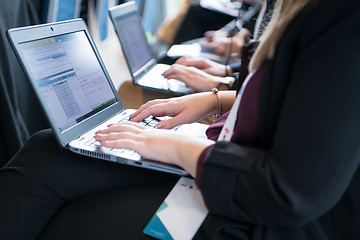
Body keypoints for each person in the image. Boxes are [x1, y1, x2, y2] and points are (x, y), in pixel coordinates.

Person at [1, 0, 360, 240]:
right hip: (233, 165)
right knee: (47, 149)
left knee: (76, 218)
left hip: (263, 217)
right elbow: (304, 103)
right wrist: (216, 99)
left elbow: (289, 192)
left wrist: (176, 146)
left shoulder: (339, 18)